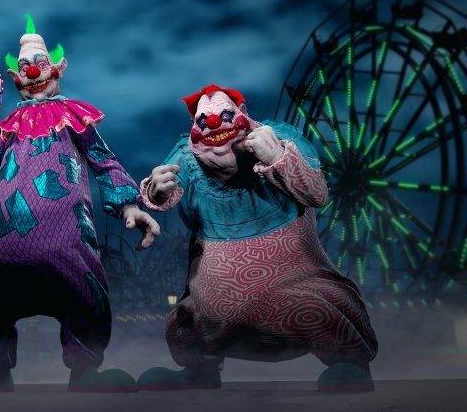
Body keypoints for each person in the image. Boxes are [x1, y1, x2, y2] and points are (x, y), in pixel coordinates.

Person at [0, 17, 160, 393]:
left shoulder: (74, 116)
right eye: (24, 67)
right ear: (15, 78)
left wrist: (129, 205)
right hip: (2, 243)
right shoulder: (9, 124)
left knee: (84, 293)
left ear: (57, 69)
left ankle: (85, 371)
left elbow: (103, 161)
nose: (33, 72)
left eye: (39, 64)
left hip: (67, 238)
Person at [137, 84, 377, 392]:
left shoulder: (279, 136)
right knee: (195, 317)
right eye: (203, 120)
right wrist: (157, 190)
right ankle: (200, 372)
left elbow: (317, 193)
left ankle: (350, 365)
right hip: (214, 298)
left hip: (292, 277)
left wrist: (277, 156)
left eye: (225, 115)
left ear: (242, 112)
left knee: (315, 308)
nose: (214, 124)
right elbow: (165, 186)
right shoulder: (187, 153)